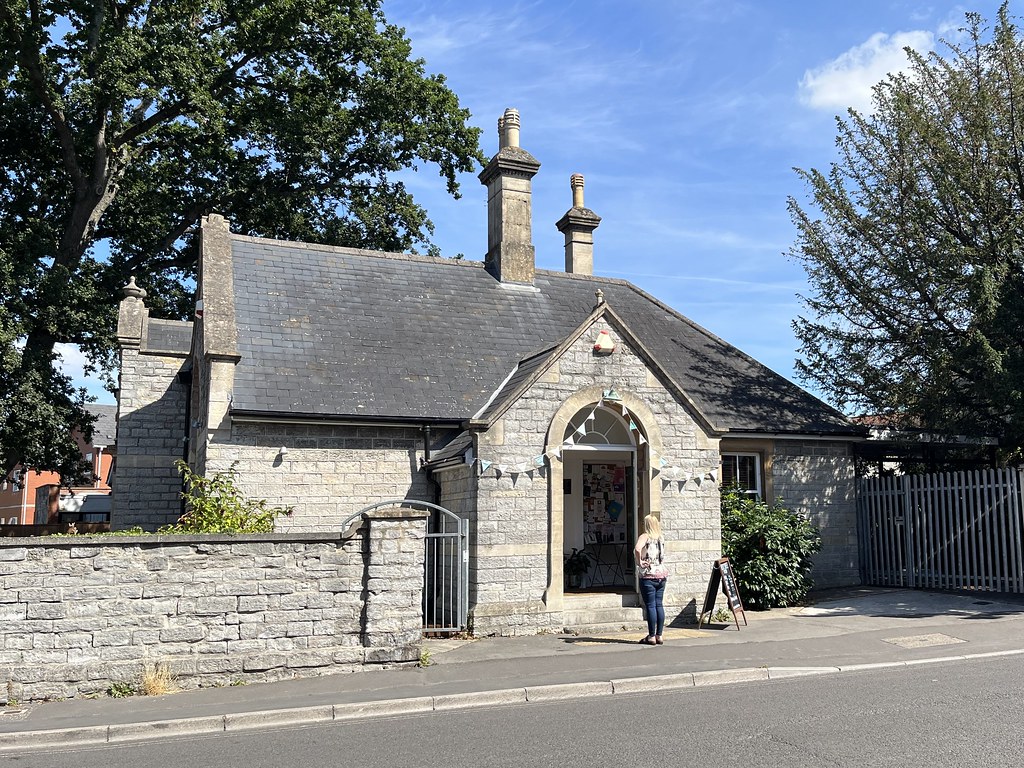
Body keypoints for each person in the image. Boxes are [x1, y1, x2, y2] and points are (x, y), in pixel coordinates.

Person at [634, 514, 668, 645]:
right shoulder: (661, 538)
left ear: (647, 525)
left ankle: (651, 636)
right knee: (659, 604)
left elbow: (637, 549)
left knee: (650, 605)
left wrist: (640, 562)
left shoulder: (645, 537)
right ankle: (660, 635)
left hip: (648, 575)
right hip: (661, 574)